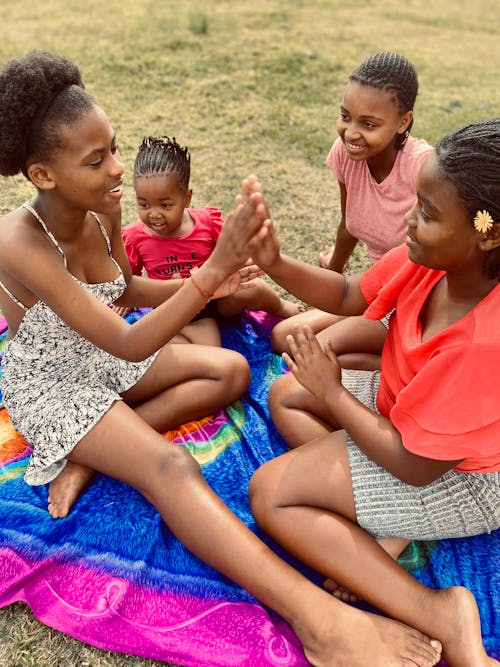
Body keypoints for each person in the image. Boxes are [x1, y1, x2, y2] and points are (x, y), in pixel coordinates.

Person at [0, 50, 444, 667]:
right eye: (97, 159)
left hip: (103, 354)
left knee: (233, 371)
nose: (118, 171)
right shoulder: (17, 242)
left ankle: (91, 453)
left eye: (115, 148)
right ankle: (317, 619)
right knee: (171, 469)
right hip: (56, 382)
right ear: (43, 175)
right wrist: (206, 277)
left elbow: (125, 294)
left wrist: (223, 279)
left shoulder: (104, 207)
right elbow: (129, 337)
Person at [246, 118, 500, 667]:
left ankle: (442, 613)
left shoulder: (484, 342)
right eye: (417, 202)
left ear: (489, 232)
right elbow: (346, 292)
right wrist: (272, 263)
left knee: (272, 493)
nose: (408, 220)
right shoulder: (429, 262)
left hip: (460, 480)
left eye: (428, 214)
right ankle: (388, 527)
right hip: (403, 418)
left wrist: (335, 394)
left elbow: (415, 465)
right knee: (288, 395)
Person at [271, 51, 433, 364]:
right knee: (284, 337)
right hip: (373, 289)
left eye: (369, 124)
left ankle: (409, 363)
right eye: (346, 117)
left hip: (416, 301)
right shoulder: (346, 155)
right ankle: (391, 358)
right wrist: (331, 273)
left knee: (314, 352)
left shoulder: (423, 168)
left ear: (404, 122)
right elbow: (348, 225)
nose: (352, 133)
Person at [117, 135, 303, 346]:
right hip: (176, 309)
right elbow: (129, 280)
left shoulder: (207, 222)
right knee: (210, 347)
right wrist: (130, 302)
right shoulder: (133, 237)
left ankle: (280, 307)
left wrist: (244, 261)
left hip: (217, 297)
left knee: (254, 288)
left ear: (187, 198)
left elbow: (232, 252)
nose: (155, 214)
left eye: (166, 205)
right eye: (144, 205)